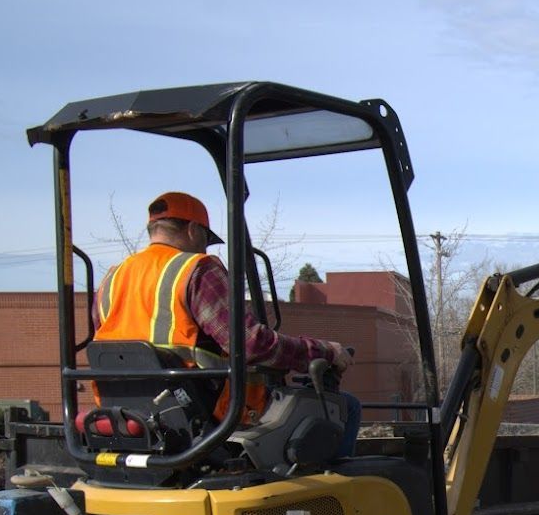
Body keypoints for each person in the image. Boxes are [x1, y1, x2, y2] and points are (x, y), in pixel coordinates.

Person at [92, 191, 360, 454]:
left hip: (131, 416)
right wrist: (325, 351)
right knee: (343, 408)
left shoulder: (112, 279)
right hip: (202, 417)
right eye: (205, 240)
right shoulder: (196, 269)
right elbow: (250, 343)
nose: (204, 247)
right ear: (194, 231)